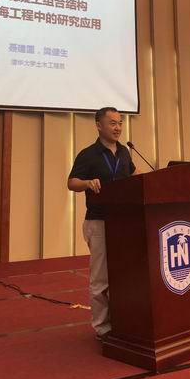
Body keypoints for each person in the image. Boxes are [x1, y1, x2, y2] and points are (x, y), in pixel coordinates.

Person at [68, 107, 137, 340]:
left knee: (124, 275)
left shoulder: (125, 152)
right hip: (99, 222)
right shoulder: (89, 154)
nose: (118, 128)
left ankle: (123, 319)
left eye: (120, 123)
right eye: (112, 123)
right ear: (99, 125)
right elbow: (72, 182)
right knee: (101, 279)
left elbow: (132, 174)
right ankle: (102, 327)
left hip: (124, 222)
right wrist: (87, 183)